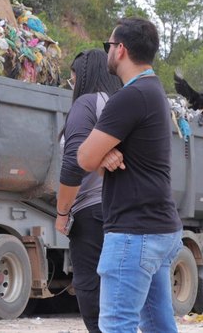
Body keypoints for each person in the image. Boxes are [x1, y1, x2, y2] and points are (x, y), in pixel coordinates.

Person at [77, 17, 183, 333]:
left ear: (120, 49)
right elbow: (97, 157)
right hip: (159, 227)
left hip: (133, 233)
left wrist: (98, 154)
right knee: (157, 324)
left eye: (108, 46)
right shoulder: (154, 93)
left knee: (116, 324)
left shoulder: (129, 97)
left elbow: (83, 157)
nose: (107, 51)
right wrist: (103, 154)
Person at [55, 49, 121, 333]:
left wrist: (61, 212)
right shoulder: (120, 104)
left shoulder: (86, 104)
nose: (71, 82)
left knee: (89, 287)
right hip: (122, 208)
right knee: (118, 289)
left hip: (91, 212)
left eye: (72, 76)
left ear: (83, 76)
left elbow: (73, 164)